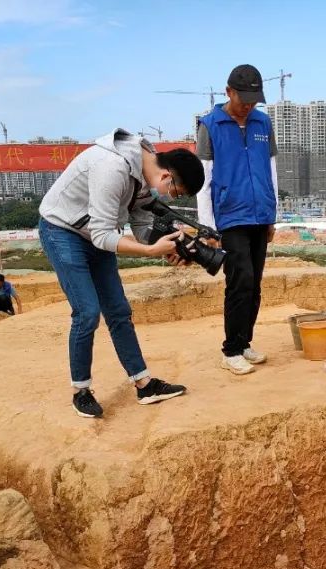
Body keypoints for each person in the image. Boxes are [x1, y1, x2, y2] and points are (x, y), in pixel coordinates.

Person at [38, 129, 205, 419]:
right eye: (176, 192)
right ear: (167, 177)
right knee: (87, 312)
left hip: (93, 232)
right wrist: (151, 252)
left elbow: (141, 227)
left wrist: (168, 246)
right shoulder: (111, 168)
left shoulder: (142, 174)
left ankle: (144, 384)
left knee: (118, 310)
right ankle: (81, 390)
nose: (168, 195)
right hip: (62, 231)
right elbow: (104, 237)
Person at [197, 64, 279, 376]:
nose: (248, 106)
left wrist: (272, 215)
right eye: (243, 99)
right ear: (228, 92)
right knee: (239, 279)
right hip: (229, 216)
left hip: (260, 214)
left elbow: (270, 168)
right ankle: (230, 350)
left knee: (254, 282)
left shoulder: (262, 122)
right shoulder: (211, 125)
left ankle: (245, 343)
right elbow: (204, 182)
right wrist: (209, 228)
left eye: (253, 100)